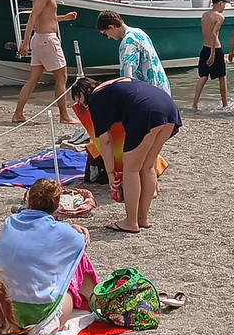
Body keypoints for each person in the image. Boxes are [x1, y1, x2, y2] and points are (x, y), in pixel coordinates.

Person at [0, 178, 97, 335]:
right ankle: (97, 301)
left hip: (1, 314)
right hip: (40, 321)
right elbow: (80, 243)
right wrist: (72, 228)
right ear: (57, 206)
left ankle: (95, 301)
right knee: (78, 260)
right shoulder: (63, 233)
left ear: (28, 200)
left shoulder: (10, 222)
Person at [70, 77, 181, 234]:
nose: (82, 107)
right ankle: (142, 219)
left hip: (145, 112)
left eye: (80, 103)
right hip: (168, 107)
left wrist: (110, 173)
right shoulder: (114, 84)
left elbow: (105, 141)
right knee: (148, 166)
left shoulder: (95, 98)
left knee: (131, 169)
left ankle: (131, 221)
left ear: (82, 93)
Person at [14, 0, 78, 124]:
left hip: (40, 39)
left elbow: (46, 18)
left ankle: (18, 114)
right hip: (46, 40)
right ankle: (64, 116)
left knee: (33, 78)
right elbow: (33, 17)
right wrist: (25, 42)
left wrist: (65, 17)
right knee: (62, 76)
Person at [96, 10, 170, 94]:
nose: (108, 37)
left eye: (105, 34)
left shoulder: (128, 42)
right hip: (162, 88)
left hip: (149, 94)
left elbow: (127, 77)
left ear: (111, 27)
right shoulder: (139, 32)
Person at [193, 0, 228, 110]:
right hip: (215, 49)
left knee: (203, 76)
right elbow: (213, 34)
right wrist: (212, 55)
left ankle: (195, 104)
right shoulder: (220, 17)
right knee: (222, 77)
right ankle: (225, 104)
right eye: (224, 5)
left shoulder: (205, 15)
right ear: (220, 3)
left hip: (204, 47)